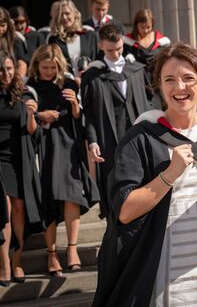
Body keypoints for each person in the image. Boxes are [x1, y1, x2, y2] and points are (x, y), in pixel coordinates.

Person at [92, 43, 197, 306]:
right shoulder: (141, 137)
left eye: (189, 78)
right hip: (168, 263)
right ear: (159, 86)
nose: (180, 88)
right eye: (170, 80)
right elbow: (124, 211)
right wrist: (170, 174)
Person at [27, 44, 100, 277]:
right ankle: (51, 254)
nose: (49, 71)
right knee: (48, 200)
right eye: (45, 67)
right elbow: (22, 119)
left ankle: (72, 249)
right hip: (45, 147)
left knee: (72, 197)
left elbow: (79, 118)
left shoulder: (68, 84)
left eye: (53, 67)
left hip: (69, 145)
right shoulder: (31, 88)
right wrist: (40, 115)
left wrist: (75, 106)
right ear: (37, 65)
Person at [81, 24, 151, 218]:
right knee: (115, 187)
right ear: (101, 45)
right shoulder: (92, 75)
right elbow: (89, 114)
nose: (115, 53)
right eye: (110, 50)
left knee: (143, 180)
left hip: (137, 137)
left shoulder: (136, 70)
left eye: (119, 48)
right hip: (109, 139)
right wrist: (93, 141)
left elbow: (150, 100)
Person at [0, 51, 43, 286]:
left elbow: (32, 132)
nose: (5, 74)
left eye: (9, 68)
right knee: (4, 209)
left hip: (18, 159)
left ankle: (17, 259)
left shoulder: (22, 95)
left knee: (18, 208)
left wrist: (31, 115)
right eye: (1, 70)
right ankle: (5, 264)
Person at [47, 0, 98, 83]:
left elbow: (98, 59)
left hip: (90, 83)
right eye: (61, 15)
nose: (64, 17)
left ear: (75, 14)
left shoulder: (90, 35)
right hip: (65, 86)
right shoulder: (54, 39)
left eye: (67, 13)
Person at [123, 8, 170, 83]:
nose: (145, 31)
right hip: (137, 81)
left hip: (157, 81)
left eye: (148, 27)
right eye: (142, 27)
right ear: (136, 25)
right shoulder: (127, 42)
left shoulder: (162, 42)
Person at [0, 7, 28, 77]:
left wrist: (17, 83)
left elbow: (21, 64)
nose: (0, 29)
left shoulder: (15, 40)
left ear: (8, 25)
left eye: (3, 26)